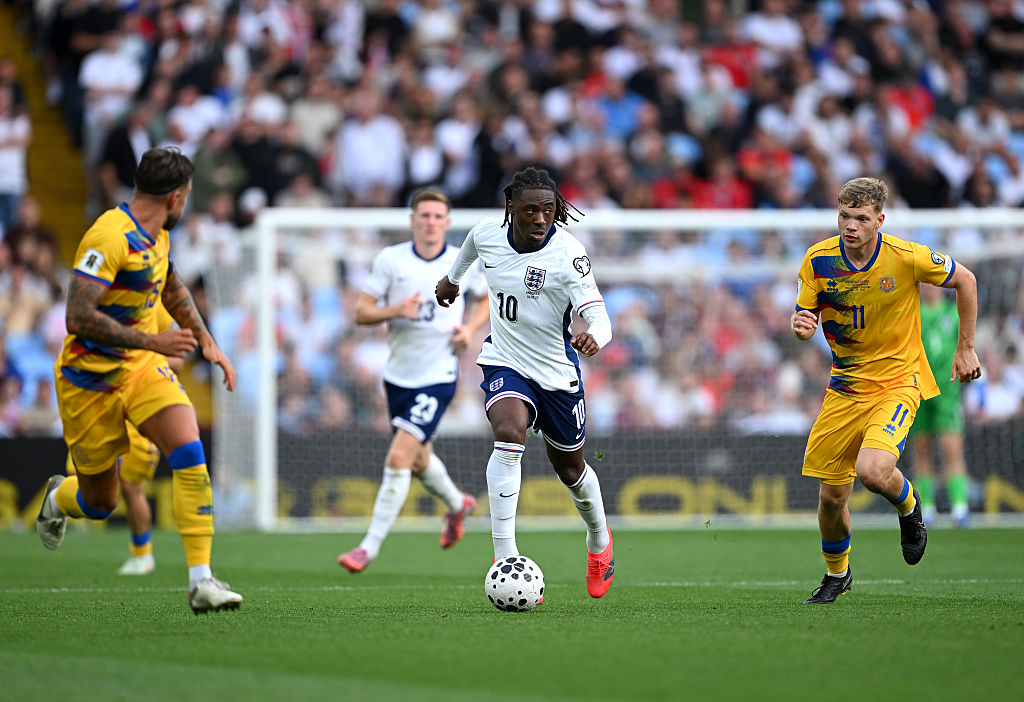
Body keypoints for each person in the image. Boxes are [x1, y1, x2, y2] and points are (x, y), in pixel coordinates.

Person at [36, 146, 243, 614]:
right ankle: (56, 497)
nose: (186, 204)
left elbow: (169, 283)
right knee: (99, 503)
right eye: (187, 196)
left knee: (189, 450)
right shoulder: (108, 237)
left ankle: (201, 581)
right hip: (88, 382)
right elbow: (77, 316)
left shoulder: (159, 234)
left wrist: (204, 339)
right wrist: (154, 343)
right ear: (175, 197)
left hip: (142, 371)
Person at [792, 176, 981, 605]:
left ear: (880, 219)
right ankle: (837, 574)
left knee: (873, 472)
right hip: (844, 387)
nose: (850, 226)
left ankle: (911, 508)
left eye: (860, 218)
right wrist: (801, 326)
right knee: (831, 497)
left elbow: (966, 281)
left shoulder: (906, 257)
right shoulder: (818, 260)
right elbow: (805, 316)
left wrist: (965, 348)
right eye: (844, 216)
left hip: (898, 381)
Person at [435, 166, 616, 599]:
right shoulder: (487, 233)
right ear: (510, 208)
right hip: (505, 359)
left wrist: (596, 336)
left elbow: (599, 315)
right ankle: (505, 555)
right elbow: (468, 252)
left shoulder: (569, 254)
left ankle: (599, 540)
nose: (540, 219)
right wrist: (451, 282)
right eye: (531, 210)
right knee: (509, 434)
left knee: (570, 471)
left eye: (548, 210)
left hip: (556, 372)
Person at [338, 188, 490, 573]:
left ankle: (367, 548)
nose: (431, 222)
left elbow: (483, 300)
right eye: (424, 215)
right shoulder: (391, 260)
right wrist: (396, 310)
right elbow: (361, 312)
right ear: (412, 220)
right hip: (398, 377)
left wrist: (468, 329)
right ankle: (458, 505)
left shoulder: (461, 260)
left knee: (399, 456)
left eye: (438, 216)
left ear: (448, 222)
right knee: (420, 459)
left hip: (438, 375)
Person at [61, 302, 181, 575]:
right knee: (85, 484)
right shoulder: (94, 304)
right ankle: (59, 500)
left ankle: (142, 554)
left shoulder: (154, 306)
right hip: (102, 407)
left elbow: (180, 361)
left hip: (141, 414)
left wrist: (143, 365)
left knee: (131, 486)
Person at [912, 283, 971, 527]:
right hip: (918, 390)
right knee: (922, 450)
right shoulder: (913, 314)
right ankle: (927, 508)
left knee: (952, 448)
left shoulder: (953, 313)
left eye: (933, 282)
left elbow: (966, 347)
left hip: (948, 392)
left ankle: (960, 507)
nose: (929, 287)